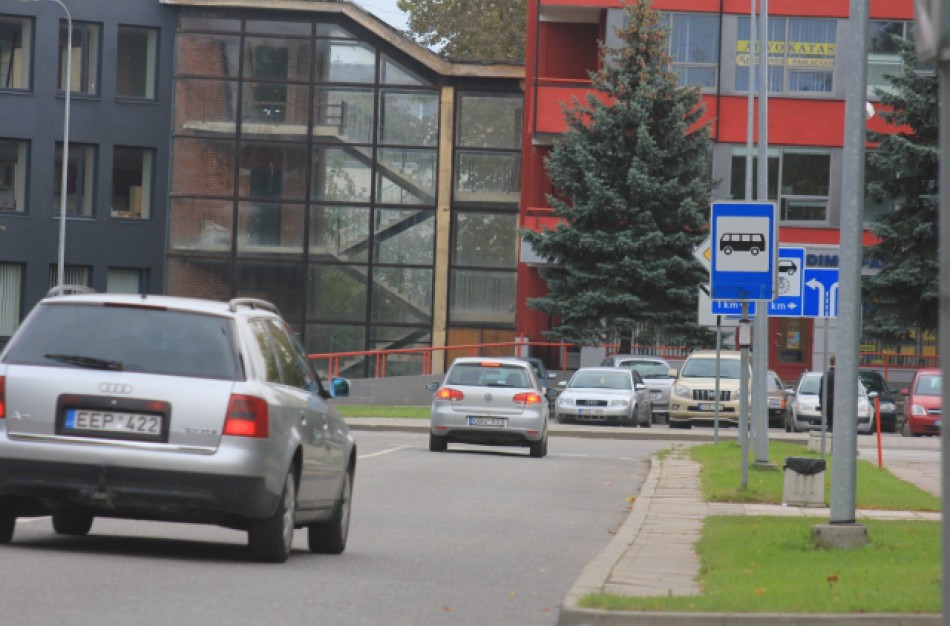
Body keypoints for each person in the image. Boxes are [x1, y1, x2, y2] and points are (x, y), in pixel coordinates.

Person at [819, 355, 836, 431]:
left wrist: (821, 405)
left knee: (829, 424)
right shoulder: (840, 376)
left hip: (827, 403)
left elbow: (821, 392)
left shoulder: (825, 376)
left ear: (829, 362)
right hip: (838, 404)